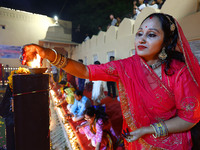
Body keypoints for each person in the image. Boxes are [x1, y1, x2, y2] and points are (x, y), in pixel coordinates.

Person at [21, 13, 200, 149]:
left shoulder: (179, 73)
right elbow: (85, 71)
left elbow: (189, 118)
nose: (142, 39)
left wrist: (148, 130)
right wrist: (49, 54)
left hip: (170, 142)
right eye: (139, 34)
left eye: (151, 35)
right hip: (136, 141)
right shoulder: (127, 66)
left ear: (166, 41)